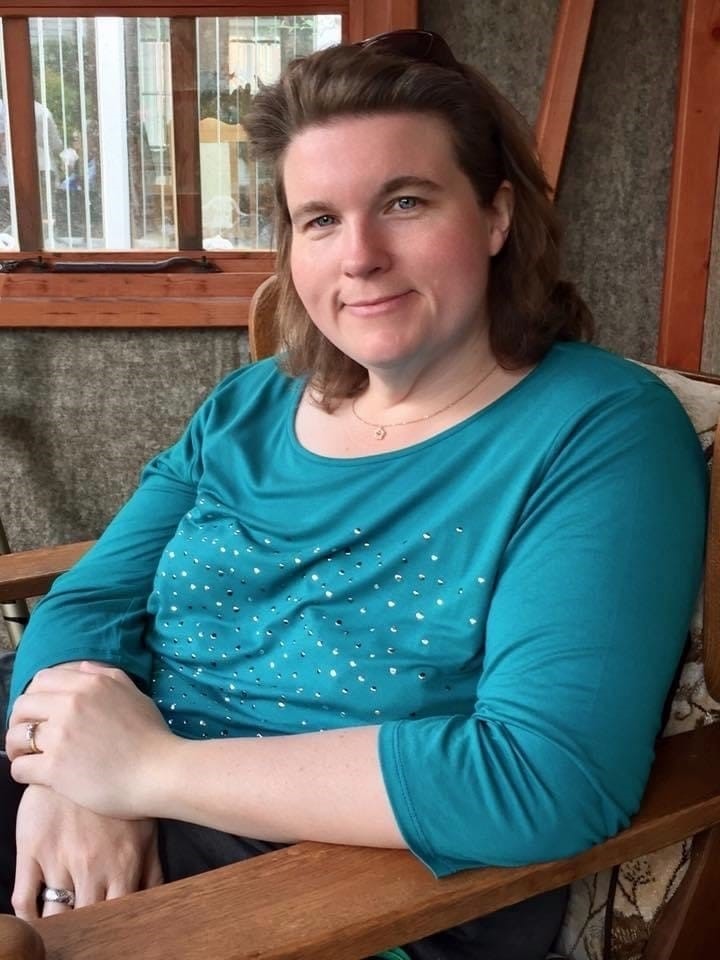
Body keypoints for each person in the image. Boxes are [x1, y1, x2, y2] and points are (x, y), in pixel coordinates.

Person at [1, 30, 707, 960]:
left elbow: (543, 779)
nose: (360, 255)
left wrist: (146, 772)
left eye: (405, 202)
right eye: (320, 219)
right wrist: (63, 776)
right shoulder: (251, 405)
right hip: (101, 785)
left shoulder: (598, 430)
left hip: (332, 883)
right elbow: (91, 600)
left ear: (496, 216)